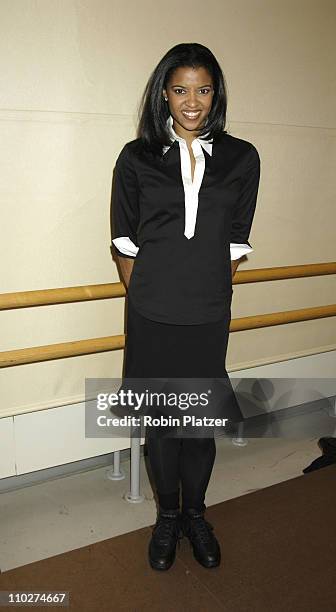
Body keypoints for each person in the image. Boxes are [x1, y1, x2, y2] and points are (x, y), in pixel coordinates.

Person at [110, 42, 261, 571]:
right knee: (161, 423)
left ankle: (196, 514)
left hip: (208, 314)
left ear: (215, 93)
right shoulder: (136, 157)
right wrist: (152, 296)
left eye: (202, 89)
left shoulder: (243, 157)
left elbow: (235, 243)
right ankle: (167, 517)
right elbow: (125, 243)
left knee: (199, 424)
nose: (191, 101)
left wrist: (205, 292)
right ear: (164, 94)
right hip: (151, 316)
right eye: (180, 90)